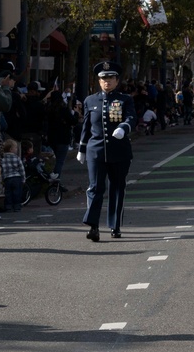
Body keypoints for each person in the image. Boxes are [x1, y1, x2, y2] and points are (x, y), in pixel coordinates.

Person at [76, 61, 137, 241]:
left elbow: (131, 117)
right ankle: (93, 226)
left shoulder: (125, 99)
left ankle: (115, 225)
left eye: (110, 78)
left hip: (119, 151)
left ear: (117, 80)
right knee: (95, 188)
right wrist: (82, 148)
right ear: (99, 81)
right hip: (96, 151)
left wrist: (124, 128)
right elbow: (86, 126)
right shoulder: (90, 100)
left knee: (117, 188)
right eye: (103, 78)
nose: (106, 81)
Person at [44, 90, 77, 184]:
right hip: (63, 137)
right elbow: (73, 121)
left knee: (57, 159)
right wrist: (76, 114)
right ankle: (56, 180)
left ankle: (54, 178)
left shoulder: (48, 109)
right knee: (60, 161)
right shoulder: (64, 109)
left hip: (52, 138)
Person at [0, 138, 24, 212]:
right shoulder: (17, 158)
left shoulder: (3, 159)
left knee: (8, 193)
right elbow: (21, 168)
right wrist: (23, 178)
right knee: (17, 192)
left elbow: (2, 170)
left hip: (7, 178)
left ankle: (8, 206)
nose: (16, 149)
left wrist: (2, 179)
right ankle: (17, 206)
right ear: (11, 149)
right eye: (15, 148)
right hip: (17, 177)